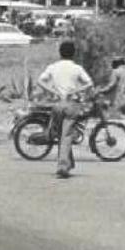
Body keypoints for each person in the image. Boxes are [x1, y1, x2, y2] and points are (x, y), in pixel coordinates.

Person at [36, 39, 93, 178]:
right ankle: (62, 167)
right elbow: (89, 83)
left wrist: (53, 92)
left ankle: (69, 163)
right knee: (67, 135)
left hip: (57, 104)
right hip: (71, 104)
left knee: (61, 134)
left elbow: (40, 81)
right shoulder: (77, 68)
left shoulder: (53, 67)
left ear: (60, 53)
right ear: (73, 53)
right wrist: (75, 91)